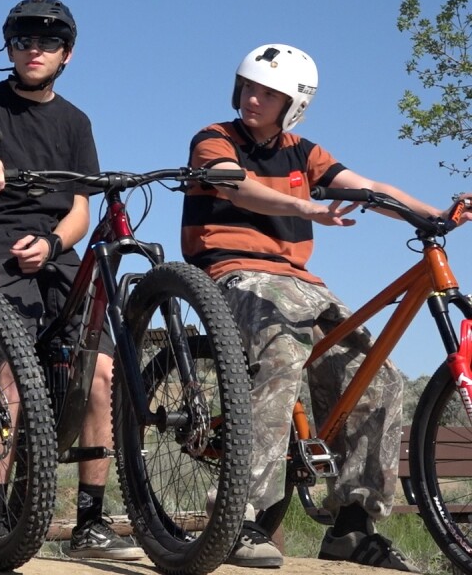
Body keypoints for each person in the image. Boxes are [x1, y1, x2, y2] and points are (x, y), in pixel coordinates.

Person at [181, 43, 470, 570]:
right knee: (279, 359)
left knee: (377, 376)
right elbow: (241, 190)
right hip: (233, 270)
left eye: (269, 93)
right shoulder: (214, 139)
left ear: (294, 103)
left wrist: (436, 214)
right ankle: (241, 513)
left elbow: (370, 188)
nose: (253, 98)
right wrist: (305, 206)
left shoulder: (304, 151)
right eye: (247, 86)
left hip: (299, 280)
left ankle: (352, 527)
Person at [0, 0, 144, 561]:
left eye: (48, 42)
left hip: (55, 250)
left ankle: (90, 523)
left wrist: (55, 242)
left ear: (67, 55)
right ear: (8, 47)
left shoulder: (76, 122)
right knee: (12, 358)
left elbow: (80, 208)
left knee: (100, 369)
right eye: (24, 40)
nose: (35, 50)